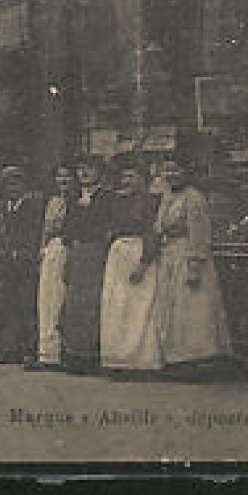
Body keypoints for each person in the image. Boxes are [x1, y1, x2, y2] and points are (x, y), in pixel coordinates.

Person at [151, 157, 233, 374]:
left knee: (192, 307)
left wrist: (194, 264)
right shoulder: (167, 196)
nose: (171, 174)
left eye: (176, 169)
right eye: (166, 170)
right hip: (170, 254)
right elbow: (159, 226)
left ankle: (197, 360)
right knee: (173, 307)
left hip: (188, 254)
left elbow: (199, 233)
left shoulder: (193, 197)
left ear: (186, 171)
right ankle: (177, 358)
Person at [98, 154, 163, 376]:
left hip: (139, 250)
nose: (127, 181)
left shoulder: (150, 202)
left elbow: (151, 232)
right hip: (118, 254)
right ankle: (118, 358)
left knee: (140, 306)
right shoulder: (115, 201)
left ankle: (141, 360)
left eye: (132, 176)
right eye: (124, 176)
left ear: (142, 178)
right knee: (118, 305)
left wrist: (144, 262)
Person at [0, 165, 46, 364]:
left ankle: (27, 349)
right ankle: (7, 348)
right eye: (7, 184)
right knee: (4, 305)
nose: (12, 188)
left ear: (24, 186)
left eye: (16, 183)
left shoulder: (33, 208)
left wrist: (24, 252)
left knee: (25, 305)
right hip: (3, 263)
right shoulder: (0, 208)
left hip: (24, 263)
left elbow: (34, 234)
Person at [59, 157, 113, 373]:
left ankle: (92, 356)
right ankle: (74, 355)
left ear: (99, 172)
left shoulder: (107, 198)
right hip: (77, 251)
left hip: (97, 251)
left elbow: (107, 226)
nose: (84, 173)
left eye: (89, 169)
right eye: (80, 169)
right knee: (74, 303)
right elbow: (68, 229)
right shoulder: (73, 198)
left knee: (93, 302)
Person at [30, 164, 76, 370]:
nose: (63, 180)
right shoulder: (53, 201)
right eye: (59, 176)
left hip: (68, 249)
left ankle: (61, 352)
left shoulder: (77, 201)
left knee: (61, 300)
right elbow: (45, 230)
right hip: (51, 250)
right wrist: (42, 250)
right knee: (47, 300)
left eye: (67, 176)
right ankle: (46, 352)